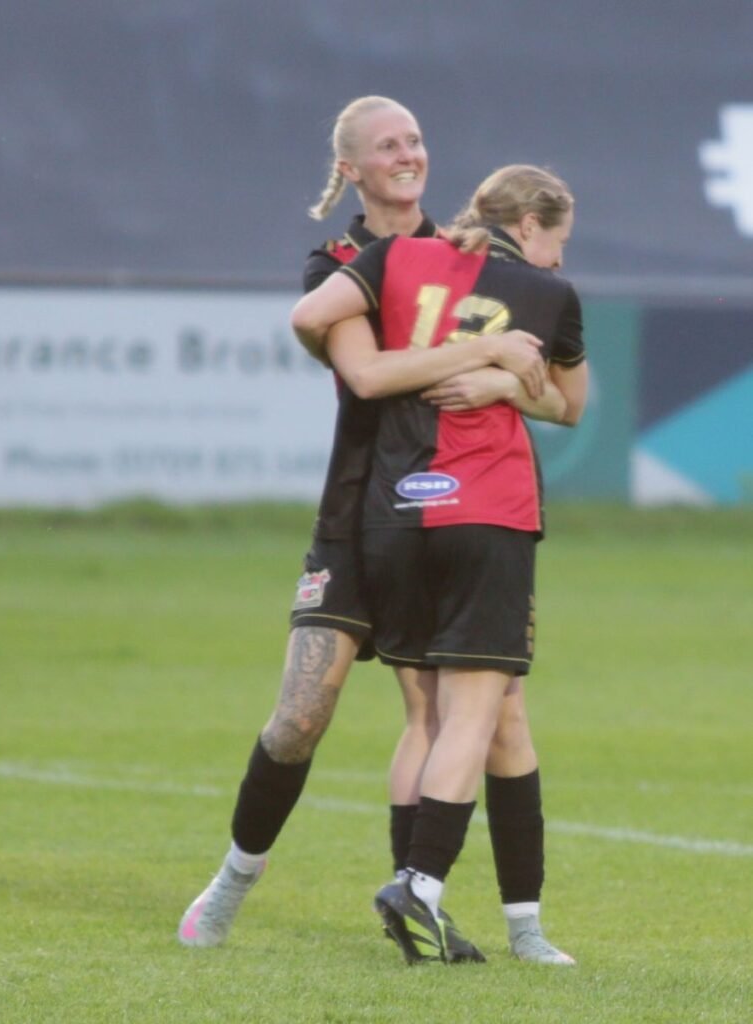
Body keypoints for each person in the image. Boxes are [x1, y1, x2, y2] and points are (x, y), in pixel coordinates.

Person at [177, 97, 569, 963]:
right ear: (350, 168)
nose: (410, 154)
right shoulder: (342, 263)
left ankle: (423, 914)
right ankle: (234, 878)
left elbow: (556, 386)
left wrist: (510, 378)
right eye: (389, 145)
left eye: (418, 139)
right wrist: (487, 354)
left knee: (445, 709)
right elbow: (365, 374)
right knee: (300, 715)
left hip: (437, 509)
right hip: (353, 515)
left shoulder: (465, 249)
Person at [291, 163, 588, 965]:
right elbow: (570, 405)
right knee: (477, 714)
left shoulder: (395, 259)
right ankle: (420, 887)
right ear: (529, 228)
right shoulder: (548, 297)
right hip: (487, 510)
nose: (559, 261)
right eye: (557, 241)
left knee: (432, 714)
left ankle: (496, 924)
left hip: (393, 514)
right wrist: (494, 371)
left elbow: (310, 316)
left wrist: (390, 365)